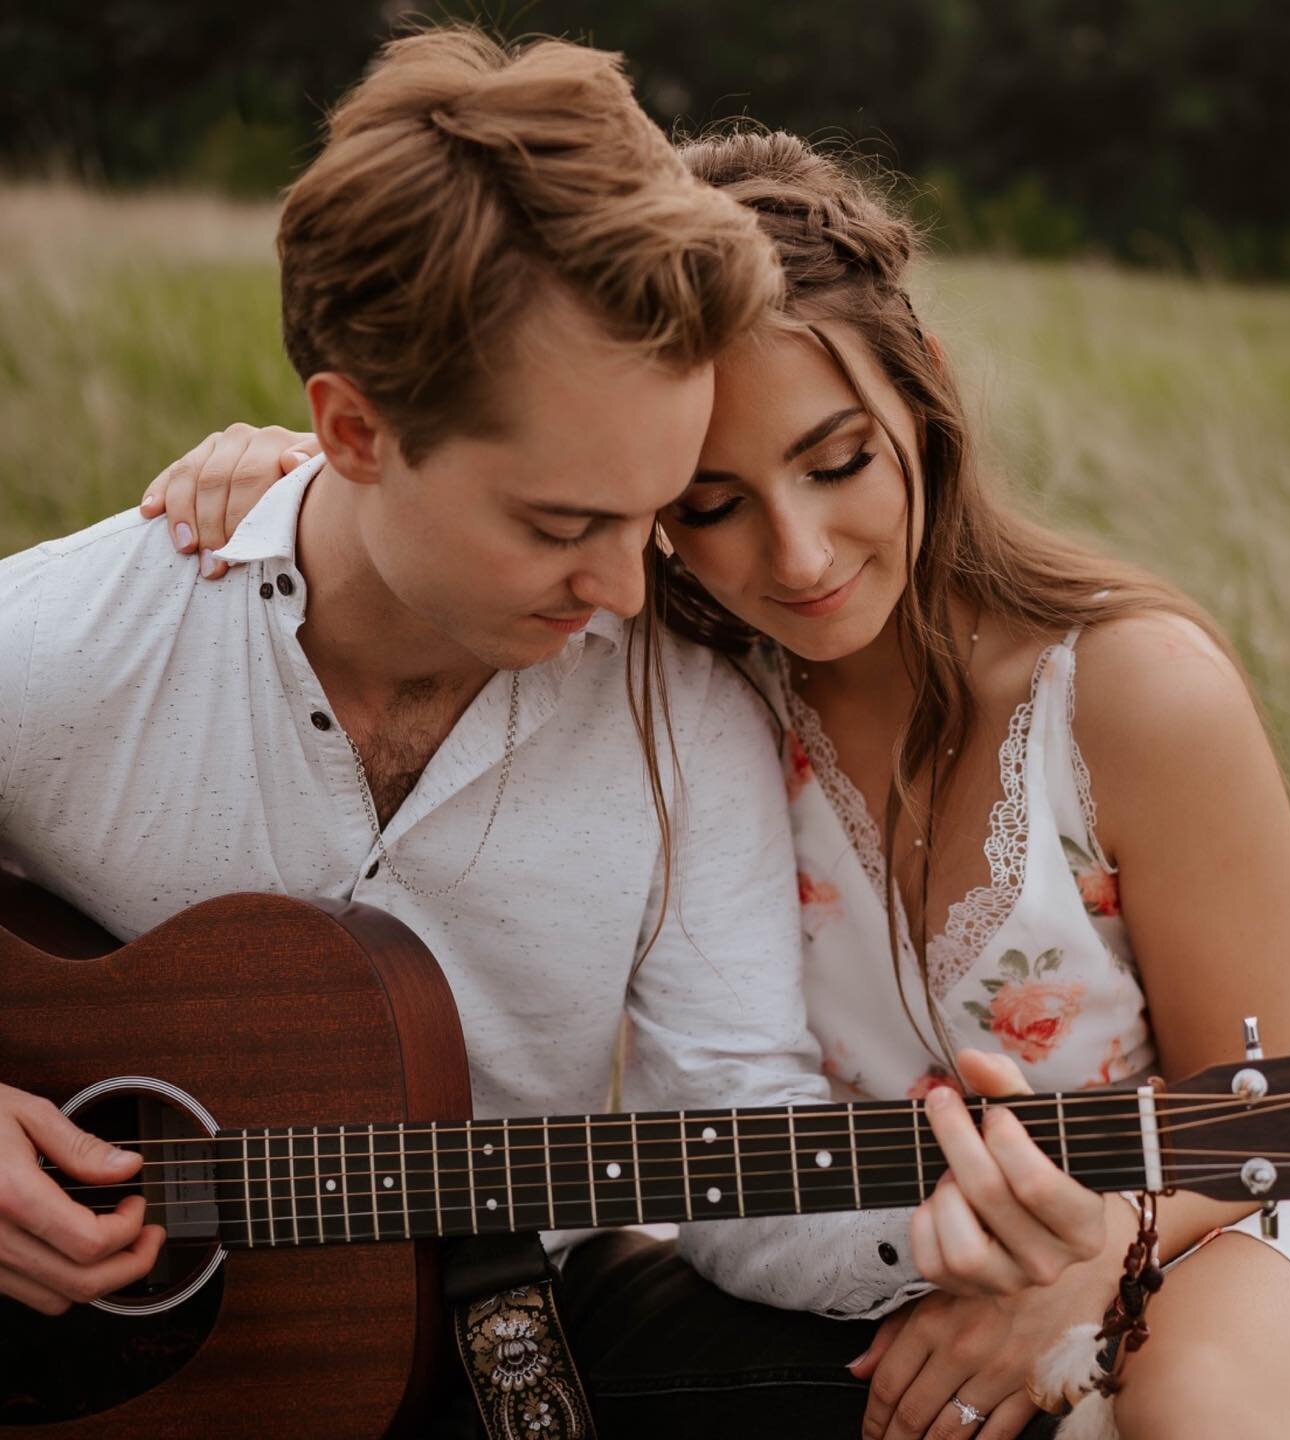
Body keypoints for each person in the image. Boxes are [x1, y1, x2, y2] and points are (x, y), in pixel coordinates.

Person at [159, 128, 1290, 1440]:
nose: (802, 552)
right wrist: (287, 475)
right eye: (710, 505)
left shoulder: (1131, 691)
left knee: (1196, 1406)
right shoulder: (660, 692)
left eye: (838, 462)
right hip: (858, 1265)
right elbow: (427, 506)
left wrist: (1083, 1272)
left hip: (1220, 1232)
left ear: (921, 394)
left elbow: (1273, 1113)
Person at [0, 30, 1063, 1440]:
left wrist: (945, 1221)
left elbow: (734, 1155)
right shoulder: (64, 644)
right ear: (353, 431)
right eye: (563, 525)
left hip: (498, 1334)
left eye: (657, 511)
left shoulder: (681, 713)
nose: (630, 593)